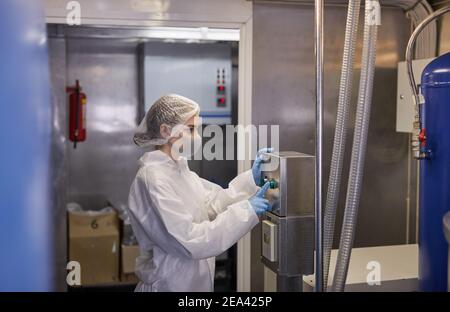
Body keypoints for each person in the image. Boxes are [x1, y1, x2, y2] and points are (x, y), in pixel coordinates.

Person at [128, 94, 272, 291]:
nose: (197, 136)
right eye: (191, 129)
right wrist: (247, 211)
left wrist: (249, 182)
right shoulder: (153, 179)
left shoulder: (179, 171)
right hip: (168, 286)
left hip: (192, 284)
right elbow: (189, 240)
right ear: (165, 130)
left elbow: (211, 205)